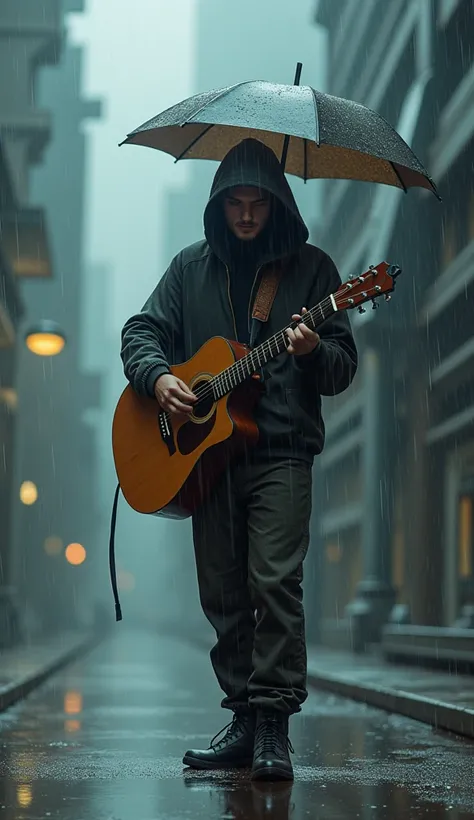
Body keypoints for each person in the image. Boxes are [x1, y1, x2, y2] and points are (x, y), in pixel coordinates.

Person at [120, 138, 358, 781]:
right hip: (207, 462)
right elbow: (140, 331)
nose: (247, 216)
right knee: (222, 591)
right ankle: (244, 719)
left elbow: (341, 369)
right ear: (218, 205)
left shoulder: (314, 272)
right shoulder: (189, 269)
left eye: (258, 203)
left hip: (281, 450)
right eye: (236, 204)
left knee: (274, 581)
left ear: (277, 204)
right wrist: (159, 379)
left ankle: (275, 724)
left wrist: (311, 352)